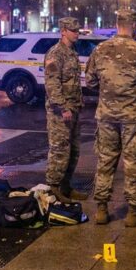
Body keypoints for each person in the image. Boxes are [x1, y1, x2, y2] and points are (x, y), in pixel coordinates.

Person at [85, 10, 136, 227]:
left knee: (105, 160)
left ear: (117, 24)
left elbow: (90, 81)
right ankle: (133, 212)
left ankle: (102, 209)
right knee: (134, 162)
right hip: (133, 117)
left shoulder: (100, 49)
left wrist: (108, 92)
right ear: (135, 26)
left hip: (106, 115)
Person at [44, 17, 86, 204]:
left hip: (74, 108)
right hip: (60, 112)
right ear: (63, 31)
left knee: (74, 151)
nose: (76, 34)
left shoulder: (72, 52)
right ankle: (53, 189)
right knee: (60, 150)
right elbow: (52, 84)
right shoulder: (56, 53)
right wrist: (62, 107)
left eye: (77, 31)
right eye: (73, 30)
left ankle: (66, 187)